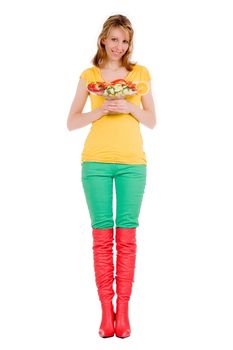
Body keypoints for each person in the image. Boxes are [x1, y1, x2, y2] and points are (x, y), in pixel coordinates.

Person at [67, 14, 156, 338]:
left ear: (129, 44)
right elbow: (72, 121)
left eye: (125, 41)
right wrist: (101, 108)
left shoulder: (140, 75)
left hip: (133, 164)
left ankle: (125, 313)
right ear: (103, 39)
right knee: (102, 239)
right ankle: (107, 313)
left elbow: (151, 120)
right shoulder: (89, 76)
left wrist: (129, 107)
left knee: (127, 240)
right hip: (95, 164)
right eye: (114, 39)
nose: (119, 46)